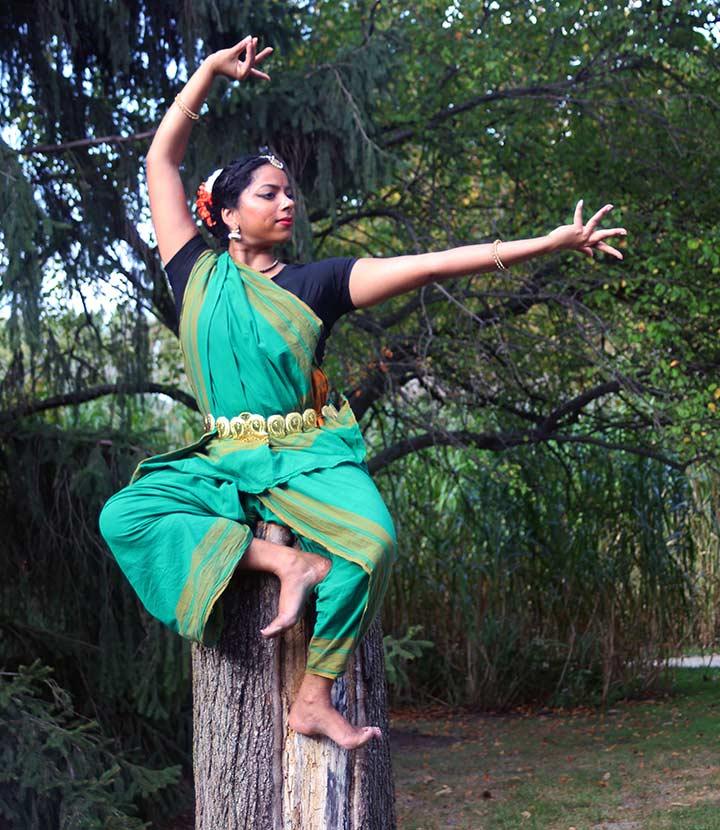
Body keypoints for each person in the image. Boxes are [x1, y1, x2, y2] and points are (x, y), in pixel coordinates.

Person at [98, 36, 627, 750]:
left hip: (304, 457)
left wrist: (548, 243)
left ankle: (314, 698)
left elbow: (431, 263)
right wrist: (207, 74)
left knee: (373, 542)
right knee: (125, 514)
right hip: (224, 460)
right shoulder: (191, 270)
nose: (287, 203)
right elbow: (161, 160)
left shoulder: (313, 285)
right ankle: (284, 561)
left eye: (290, 194)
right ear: (225, 214)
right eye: (269, 194)